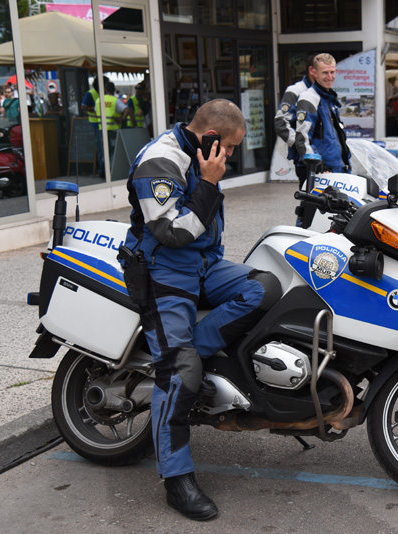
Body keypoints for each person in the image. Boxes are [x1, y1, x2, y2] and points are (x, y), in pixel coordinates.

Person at [122, 99, 281, 520]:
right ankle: (176, 481)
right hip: (162, 273)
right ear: (210, 135)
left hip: (202, 266)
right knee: (179, 373)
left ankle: (190, 350)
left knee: (265, 287)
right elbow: (172, 232)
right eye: (228, 147)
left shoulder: (199, 155)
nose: (229, 156)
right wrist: (209, 183)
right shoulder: (161, 159)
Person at [293, 53, 351, 174]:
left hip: (338, 169)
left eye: (332, 72)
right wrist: (320, 166)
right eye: (325, 73)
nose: (330, 77)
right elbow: (302, 139)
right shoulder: (309, 98)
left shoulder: (329, 100)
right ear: (314, 73)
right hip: (322, 172)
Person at [275, 53, 316, 186]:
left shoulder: (325, 93)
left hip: (326, 160)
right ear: (312, 71)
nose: (330, 77)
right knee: (309, 202)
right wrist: (301, 144)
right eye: (325, 72)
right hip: (306, 160)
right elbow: (281, 123)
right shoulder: (295, 90)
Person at [81, 76, 109, 176]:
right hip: (96, 123)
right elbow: (83, 106)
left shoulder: (104, 93)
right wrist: (95, 110)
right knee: (101, 146)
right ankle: (102, 170)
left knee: (105, 146)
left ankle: (105, 168)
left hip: (105, 123)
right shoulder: (91, 93)